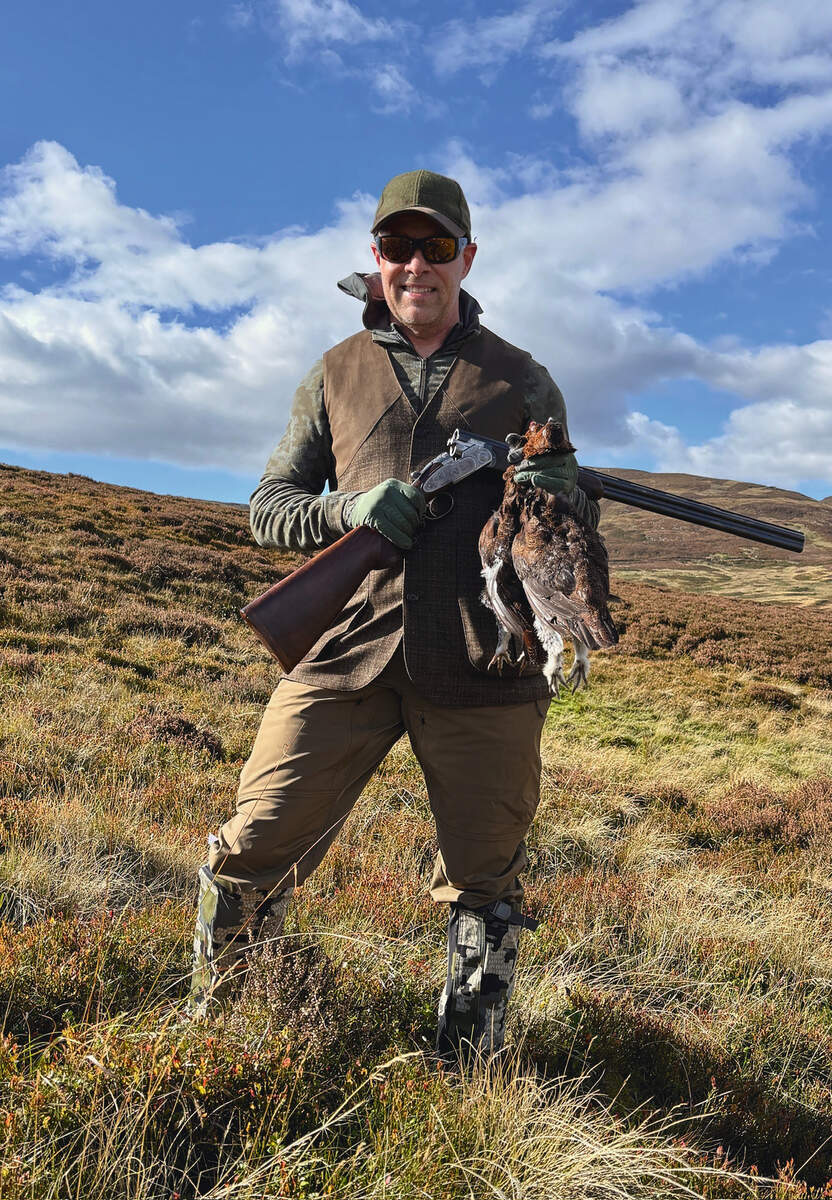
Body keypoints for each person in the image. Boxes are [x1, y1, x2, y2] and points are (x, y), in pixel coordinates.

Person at [190, 170, 600, 1057]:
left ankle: (468, 1076)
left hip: (486, 665)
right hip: (343, 654)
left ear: (467, 258)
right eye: (398, 248)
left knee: (486, 888)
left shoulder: (526, 381)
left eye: (437, 248)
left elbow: (565, 534)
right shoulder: (335, 371)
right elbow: (268, 508)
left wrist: (565, 499)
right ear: (375, 260)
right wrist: (349, 511)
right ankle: (224, 1035)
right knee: (251, 846)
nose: (417, 265)